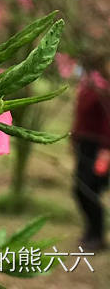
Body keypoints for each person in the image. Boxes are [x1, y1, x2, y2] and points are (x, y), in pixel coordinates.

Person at [72, 57, 110, 251]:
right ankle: (91, 231)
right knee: (80, 190)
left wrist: (106, 151)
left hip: (99, 147)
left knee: (90, 191)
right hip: (85, 144)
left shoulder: (103, 91)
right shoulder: (89, 87)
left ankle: (97, 235)